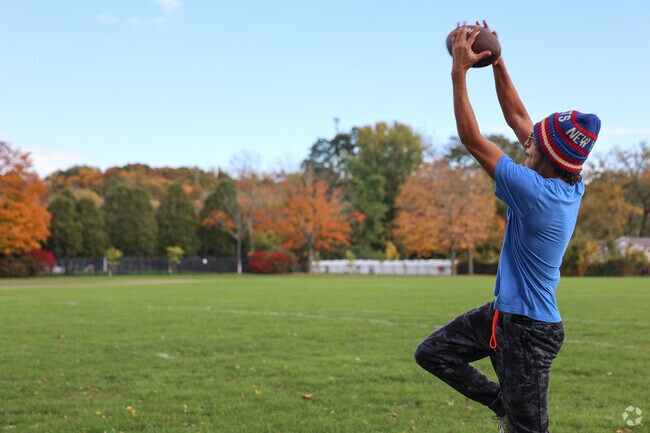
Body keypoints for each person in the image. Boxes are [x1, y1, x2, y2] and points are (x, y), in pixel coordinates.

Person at [413, 21, 601, 433]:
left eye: (534, 143)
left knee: (530, 432)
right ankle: (503, 402)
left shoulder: (534, 192)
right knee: (434, 353)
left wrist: (459, 72)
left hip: (531, 332)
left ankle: (513, 413)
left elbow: (472, 138)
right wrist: (498, 61)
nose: (527, 142)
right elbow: (518, 116)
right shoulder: (568, 181)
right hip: (505, 315)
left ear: (546, 158)